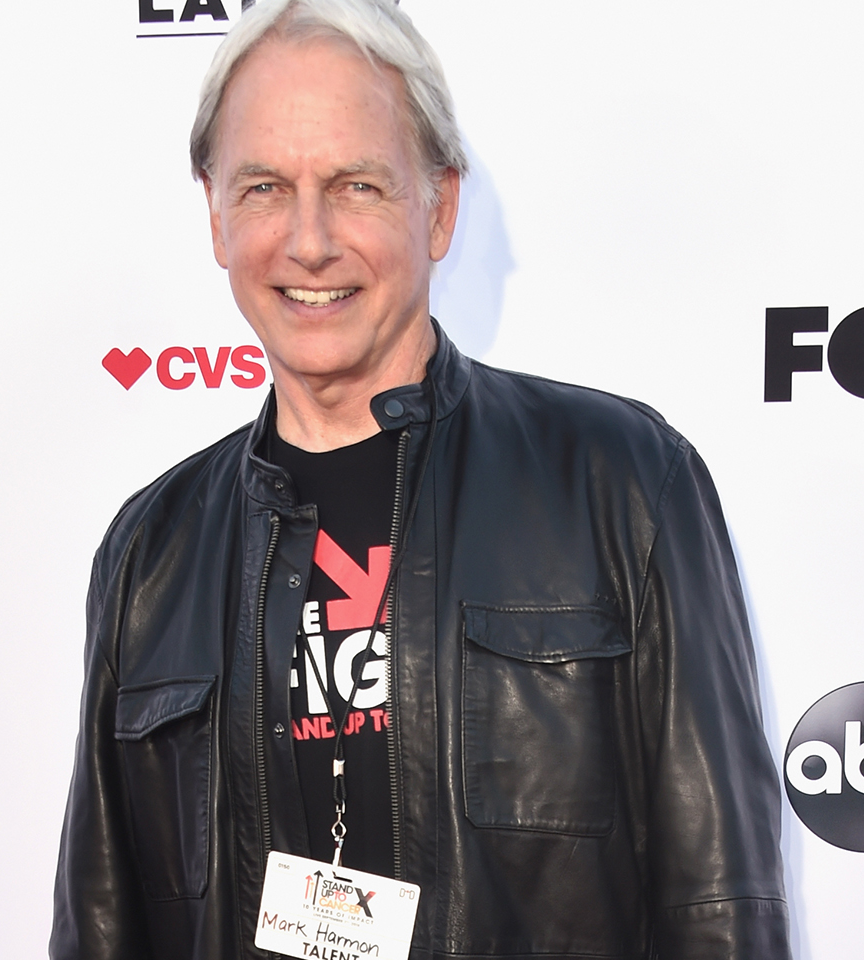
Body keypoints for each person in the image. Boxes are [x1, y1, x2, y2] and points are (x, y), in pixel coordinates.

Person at [51, 1, 789, 958]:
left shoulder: (621, 480)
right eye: (266, 188)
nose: (308, 242)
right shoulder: (153, 550)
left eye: (356, 186)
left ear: (438, 207)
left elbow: (720, 903)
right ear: (216, 215)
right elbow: (102, 923)